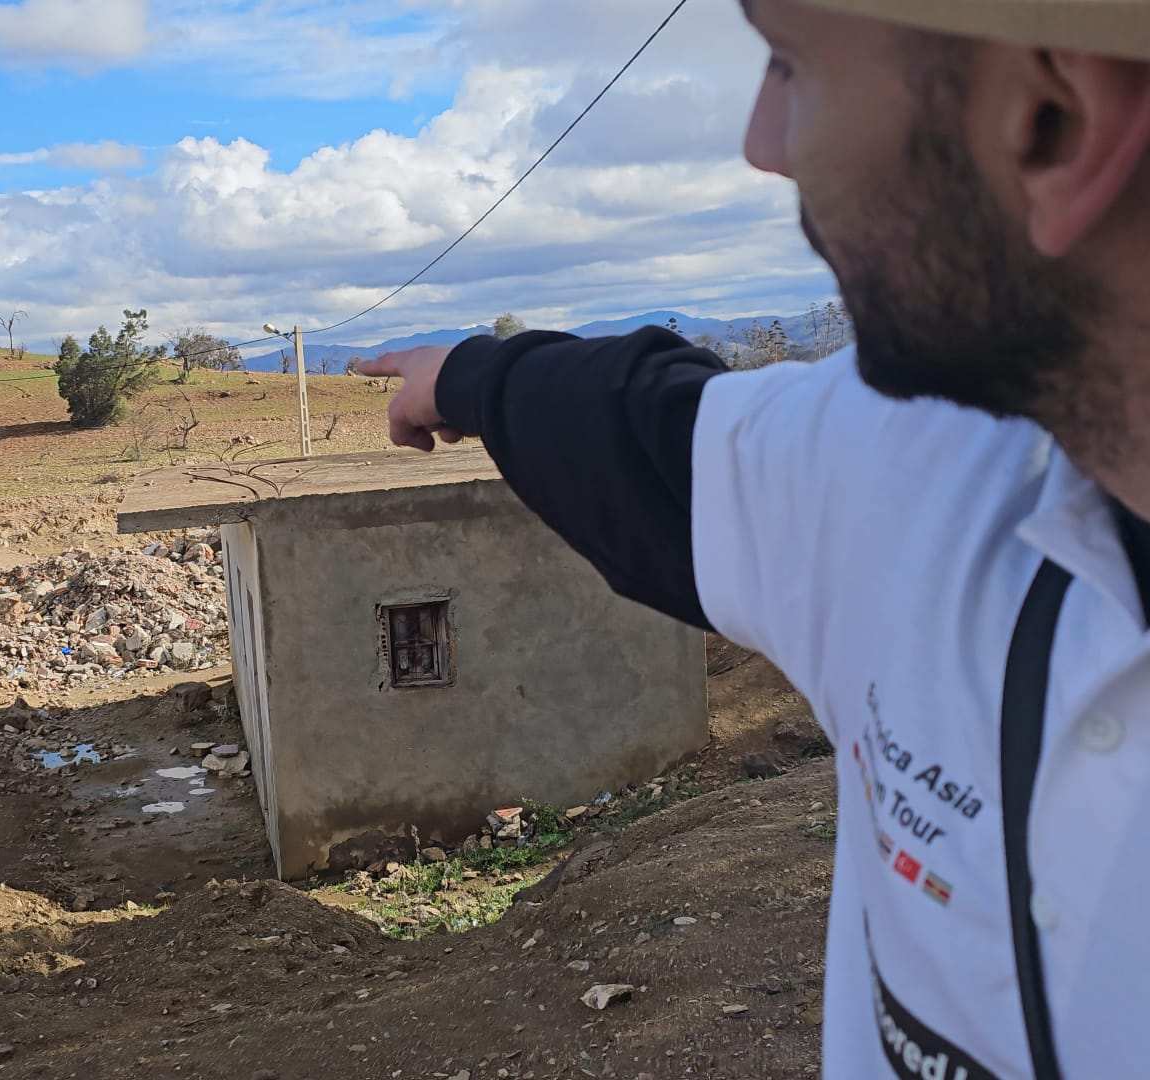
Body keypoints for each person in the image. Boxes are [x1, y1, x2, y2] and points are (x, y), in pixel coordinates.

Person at [367, 1, 1150, 1076]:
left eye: (789, 64)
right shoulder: (915, 462)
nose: (761, 144)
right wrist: (470, 377)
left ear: (1056, 121)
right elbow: (651, 438)